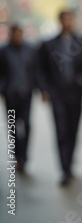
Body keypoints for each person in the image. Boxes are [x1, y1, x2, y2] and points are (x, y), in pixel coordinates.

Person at [38, 10, 82, 186]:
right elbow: (41, 69)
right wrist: (45, 90)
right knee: (61, 130)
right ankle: (64, 169)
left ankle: (69, 162)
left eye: (70, 19)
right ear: (60, 21)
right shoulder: (48, 44)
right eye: (65, 19)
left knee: (73, 130)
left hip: (76, 93)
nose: (68, 22)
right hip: (58, 94)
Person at [0, 24, 39, 173]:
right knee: (12, 126)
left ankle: (24, 156)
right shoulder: (4, 51)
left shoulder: (30, 50)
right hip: (10, 94)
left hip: (26, 93)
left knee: (26, 125)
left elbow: (35, 71)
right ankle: (17, 155)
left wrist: (41, 89)